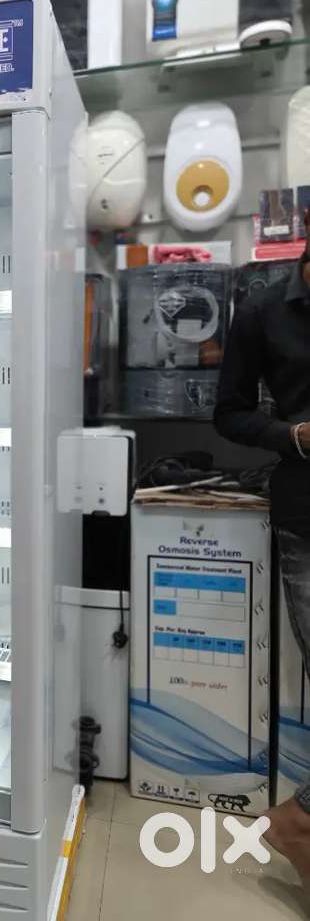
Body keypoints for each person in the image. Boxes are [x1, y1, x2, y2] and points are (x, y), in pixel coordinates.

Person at [214, 245, 310, 888]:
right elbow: (229, 413)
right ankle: (297, 824)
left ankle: (298, 820)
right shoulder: (264, 310)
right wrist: (292, 435)